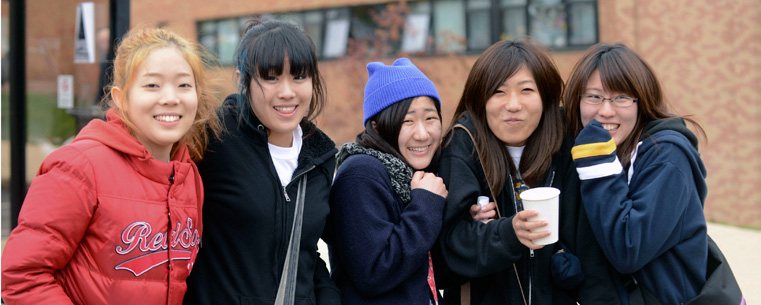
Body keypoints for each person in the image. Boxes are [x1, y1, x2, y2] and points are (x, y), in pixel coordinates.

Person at [1, 27, 221, 304]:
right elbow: (22, 276)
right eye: (152, 85)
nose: (171, 98)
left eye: (184, 85)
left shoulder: (189, 175)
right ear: (121, 98)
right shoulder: (80, 166)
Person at [436, 37, 620, 304]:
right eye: (498, 91)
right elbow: (447, 251)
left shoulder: (568, 143)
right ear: (480, 99)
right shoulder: (463, 146)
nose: (513, 104)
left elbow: (591, 249)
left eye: (526, 90)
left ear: (545, 96)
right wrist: (507, 233)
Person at [183, 19, 340, 305]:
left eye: (299, 76)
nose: (287, 92)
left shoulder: (322, 158)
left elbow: (305, 251)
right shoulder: (212, 139)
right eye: (271, 78)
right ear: (243, 80)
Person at [565, 43, 709, 305]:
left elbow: (628, 249)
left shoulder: (667, 157)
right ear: (577, 101)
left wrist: (598, 163)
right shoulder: (581, 149)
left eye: (621, 97)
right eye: (594, 97)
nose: (606, 111)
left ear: (642, 101)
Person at [329, 58, 448, 304]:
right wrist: (425, 205)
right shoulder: (360, 173)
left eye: (430, 118)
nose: (423, 133)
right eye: (407, 121)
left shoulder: (412, 176)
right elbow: (374, 273)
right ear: (378, 126)